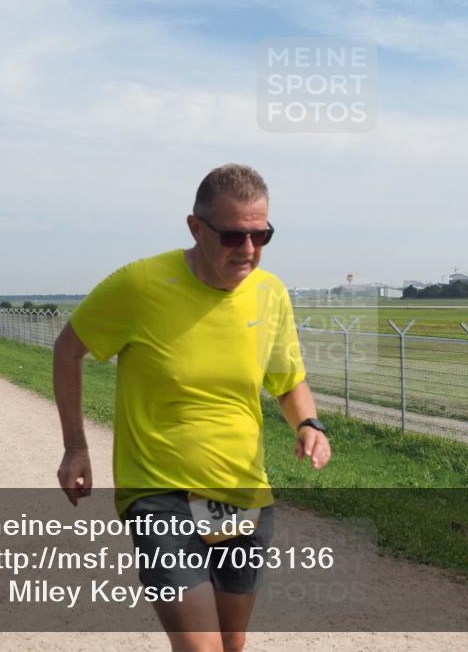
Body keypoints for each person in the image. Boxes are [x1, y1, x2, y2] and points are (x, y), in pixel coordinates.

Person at [53, 164, 331, 651]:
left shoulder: (270, 294)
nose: (248, 250)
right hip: (159, 495)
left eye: (260, 235)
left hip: (240, 495)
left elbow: (288, 381)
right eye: (232, 236)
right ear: (195, 227)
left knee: (231, 642)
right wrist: (76, 446)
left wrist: (308, 422)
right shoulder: (139, 285)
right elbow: (68, 349)